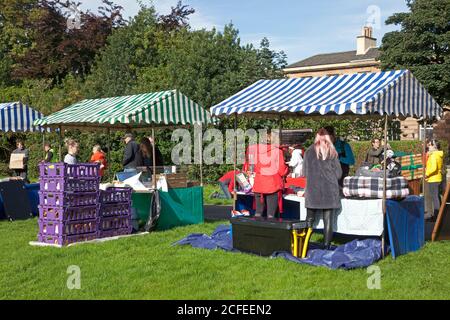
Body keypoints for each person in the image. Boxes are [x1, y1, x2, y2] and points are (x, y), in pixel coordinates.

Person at [303, 128, 342, 250]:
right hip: (330, 190)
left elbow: (304, 172)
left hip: (313, 190)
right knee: (328, 220)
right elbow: (339, 174)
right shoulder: (332, 151)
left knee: (309, 219)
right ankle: (326, 246)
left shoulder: (308, 151)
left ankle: (304, 244)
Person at [251, 130, 288, 219]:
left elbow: (254, 167)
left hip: (259, 183)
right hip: (272, 184)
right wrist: (287, 169)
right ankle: (271, 232)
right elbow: (282, 170)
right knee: (271, 215)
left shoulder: (256, 150)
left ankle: (255, 232)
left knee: (258, 213)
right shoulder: (277, 151)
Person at [425, 140, 444, 222]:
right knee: (436, 197)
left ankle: (436, 217)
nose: (429, 146)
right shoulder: (438, 155)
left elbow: (433, 168)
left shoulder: (433, 155)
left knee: (434, 197)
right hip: (437, 178)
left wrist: (426, 173)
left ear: (434, 146)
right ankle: (437, 215)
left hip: (433, 179)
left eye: (430, 145)